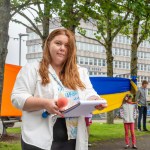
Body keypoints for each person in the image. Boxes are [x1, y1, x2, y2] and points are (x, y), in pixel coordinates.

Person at [11, 28, 107, 150]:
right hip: (38, 141)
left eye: (67, 45)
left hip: (71, 140)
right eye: (58, 43)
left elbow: (88, 92)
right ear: (48, 43)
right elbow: (17, 98)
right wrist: (45, 103)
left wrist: (94, 100)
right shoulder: (31, 69)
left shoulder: (80, 72)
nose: (62, 48)